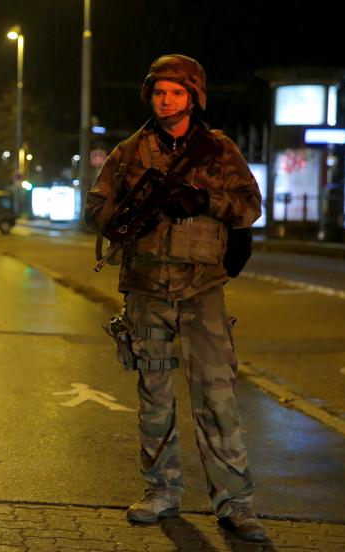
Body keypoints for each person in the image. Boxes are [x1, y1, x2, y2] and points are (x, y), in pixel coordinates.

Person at [83, 54, 266, 542]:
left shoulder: (218, 151)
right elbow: (95, 208)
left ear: (194, 97)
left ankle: (234, 503)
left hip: (202, 288)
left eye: (176, 92)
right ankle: (161, 492)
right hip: (146, 288)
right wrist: (132, 212)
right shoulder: (129, 152)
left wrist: (205, 201)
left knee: (217, 396)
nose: (166, 100)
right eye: (160, 92)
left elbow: (250, 206)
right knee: (155, 397)